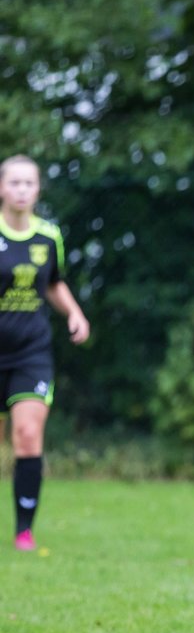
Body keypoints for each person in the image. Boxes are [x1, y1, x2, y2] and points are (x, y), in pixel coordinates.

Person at [0, 155, 91, 552]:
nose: (21, 190)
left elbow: (53, 283)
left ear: (38, 189)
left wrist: (74, 313)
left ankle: (24, 530)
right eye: (14, 183)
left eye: (29, 183)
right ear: (2, 188)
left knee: (28, 432)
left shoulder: (48, 236)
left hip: (31, 352)